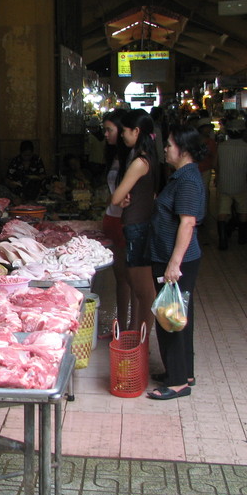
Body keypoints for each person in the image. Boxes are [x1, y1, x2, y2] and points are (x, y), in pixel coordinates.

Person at [147, 124, 207, 400]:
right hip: (170, 256)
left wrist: (174, 264)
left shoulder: (188, 180)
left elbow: (188, 224)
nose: (166, 149)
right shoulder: (180, 176)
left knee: (169, 317)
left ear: (183, 149)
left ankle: (178, 382)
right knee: (179, 315)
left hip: (175, 260)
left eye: (170, 144)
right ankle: (183, 371)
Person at [111, 109, 158, 333]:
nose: (122, 135)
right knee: (141, 288)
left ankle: (142, 338)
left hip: (137, 227)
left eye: (125, 131)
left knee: (143, 290)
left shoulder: (139, 161)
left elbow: (116, 196)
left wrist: (122, 199)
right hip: (140, 224)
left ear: (136, 131)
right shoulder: (150, 157)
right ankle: (140, 337)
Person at [100, 108, 135, 332]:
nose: (106, 134)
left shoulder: (133, 157)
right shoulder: (116, 156)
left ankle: (131, 327)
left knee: (130, 279)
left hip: (124, 222)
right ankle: (122, 325)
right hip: (113, 219)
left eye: (109, 129)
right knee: (120, 279)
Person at [215, 119, 247, 249]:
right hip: (240, 183)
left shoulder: (221, 146)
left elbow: (214, 164)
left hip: (224, 184)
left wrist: (220, 174)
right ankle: (242, 237)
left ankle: (223, 240)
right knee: (242, 210)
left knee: (223, 212)